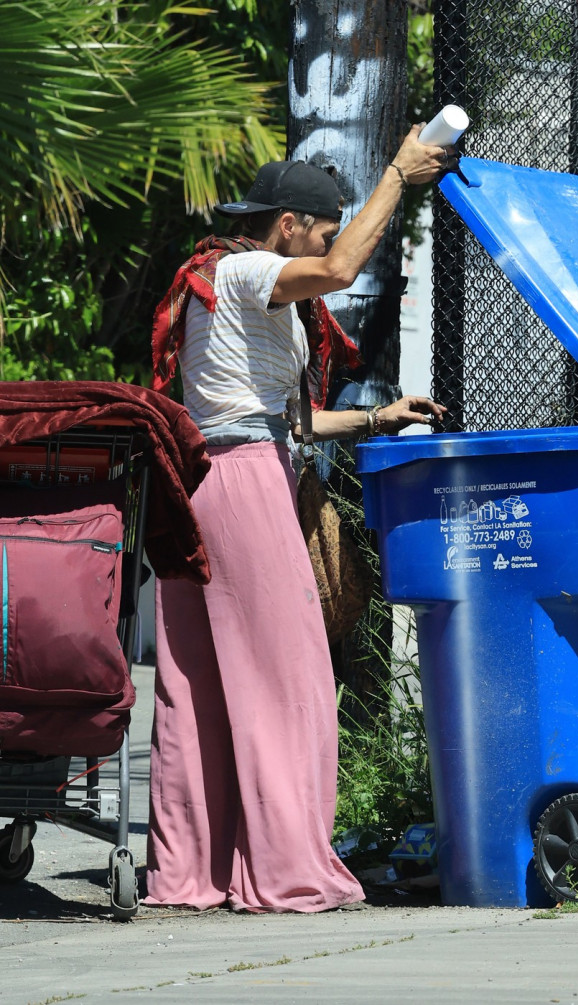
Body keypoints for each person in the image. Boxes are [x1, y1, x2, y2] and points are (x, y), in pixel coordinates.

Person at [145, 125, 450, 913]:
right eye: (319, 226)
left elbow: (290, 421)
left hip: (201, 479)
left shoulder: (225, 284)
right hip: (243, 483)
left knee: (199, 685)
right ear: (288, 226)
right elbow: (343, 266)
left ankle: (190, 875)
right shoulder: (249, 268)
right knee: (292, 680)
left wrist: (379, 417)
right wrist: (397, 175)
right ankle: (288, 871)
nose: (325, 242)